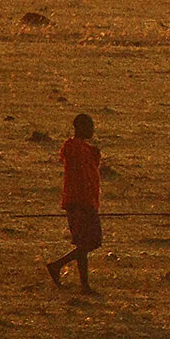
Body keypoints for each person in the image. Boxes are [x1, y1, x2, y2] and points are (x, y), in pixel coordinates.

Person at [46, 113, 102, 294]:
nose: (92, 130)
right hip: (80, 202)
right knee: (91, 241)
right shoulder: (75, 148)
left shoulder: (83, 149)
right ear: (80, 128)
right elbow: (82, 175)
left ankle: (83, 285)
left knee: (84, 243)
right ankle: (58, 265)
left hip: (84, 201)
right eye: (89, 127)